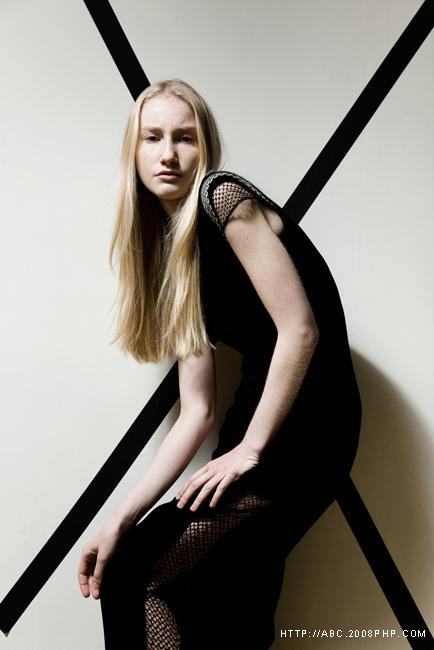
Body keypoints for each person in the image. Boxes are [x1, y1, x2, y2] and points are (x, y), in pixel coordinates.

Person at [77, 78, 362, 649]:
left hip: (308, 431)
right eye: (152, 138)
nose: (168, 153)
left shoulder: (223, 197)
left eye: (184, 138)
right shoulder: (172, 260)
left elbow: (301, 330)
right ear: (133, 151)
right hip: (248, 431)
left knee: (146, 575)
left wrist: (251, 450)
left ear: (204, 147)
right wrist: (119, 519)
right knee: (210, 595)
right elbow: (197, 412)